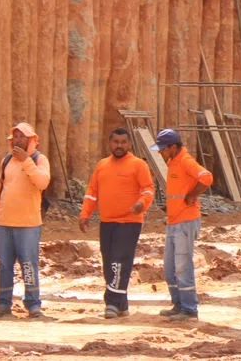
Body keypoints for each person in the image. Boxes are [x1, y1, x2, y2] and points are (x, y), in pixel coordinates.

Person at [79, 128, 155, 319]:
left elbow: (148, 190)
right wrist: (85, 214)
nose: (119, 146)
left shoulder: (138, 165)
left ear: (129, 144)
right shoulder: (102, 165)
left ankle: (112, 303)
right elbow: (92, 191)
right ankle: (122, 304)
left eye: (123, 142)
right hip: (107, 222)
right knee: (108, 263)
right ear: (109, 143)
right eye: (116, 142)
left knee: (119, 261)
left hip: (129, 222)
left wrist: (141, 204)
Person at [0, 122, 51, 319]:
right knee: (4, 265)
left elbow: (42, 182)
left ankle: (33, 304)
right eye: (15, 136)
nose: (18, 140)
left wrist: (26, 161)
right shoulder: (6, 160)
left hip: (28, 224)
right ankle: (3, 303)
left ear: (31, 140)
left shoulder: (39, 159)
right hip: (4, 223)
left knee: (29, 265)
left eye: (22, 136)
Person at [149, 129, 212, 321]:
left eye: (162, 149)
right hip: (174, 221)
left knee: (182, 266)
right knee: (170, 267)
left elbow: (207, 177)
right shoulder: (173, 162)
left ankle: (189, 308)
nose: (160, 152)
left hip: (186, 220)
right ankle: (178, 304)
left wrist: (192, 194)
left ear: (173, 147)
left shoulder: (185, 161)